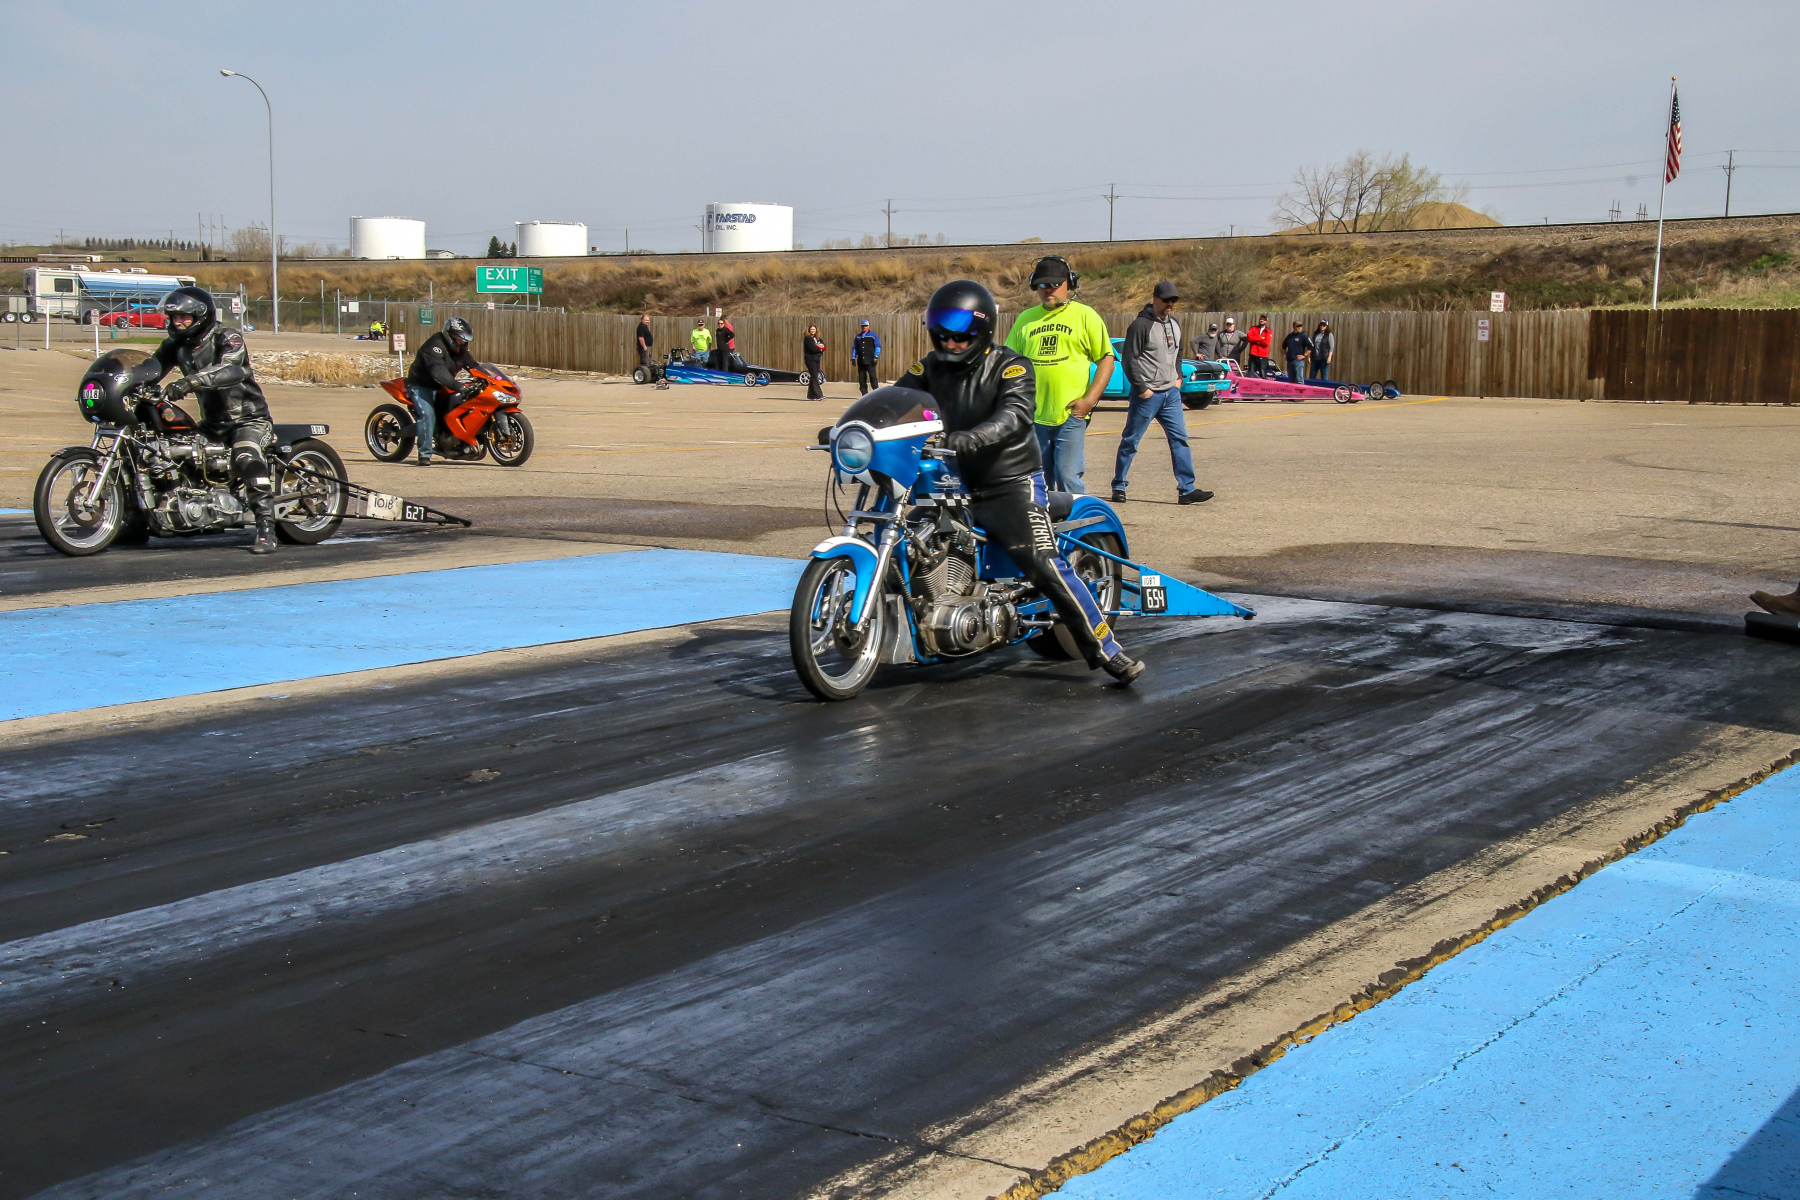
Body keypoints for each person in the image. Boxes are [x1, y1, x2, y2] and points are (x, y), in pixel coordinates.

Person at [894, 279, 1143, 684]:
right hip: (951, 482)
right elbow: (897, 400)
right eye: (941, 331)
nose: (950, 341)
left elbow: (1015, 413)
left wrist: (974, 437)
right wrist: (854, 427)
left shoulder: (1011, 365)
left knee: (1043, 562)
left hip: (1009, 482)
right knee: (908, 545)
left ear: (981, 328)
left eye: (959, 334)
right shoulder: (928, 367)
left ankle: (1105, 648)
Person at [149, 286, 280, 553]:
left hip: (248, 419)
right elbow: (150, 368)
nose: (177, 322)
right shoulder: (177, 345)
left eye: (183, 317)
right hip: (212, 423)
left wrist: (190, 382)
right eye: (173, 317)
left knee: (245, 458)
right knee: (174, 455)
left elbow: (231, 368)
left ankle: (266, 528)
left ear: (201, 315)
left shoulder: (227, 337)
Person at [1005, 255, 1114, 493]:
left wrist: (1088, 401)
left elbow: (1107, 361)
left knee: (1068, 478)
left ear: (1070, 283)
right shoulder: (1025, 319)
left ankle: (1079, 519)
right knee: (1036, 484)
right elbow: (1008, 365)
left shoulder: (1085, 316)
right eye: (1042, 285)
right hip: (1033, 417)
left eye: (1055, 284)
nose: (1048, 290)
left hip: (1071, 415)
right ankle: (1043, 519)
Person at [1113, 281, 1211, 505]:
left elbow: (1178, 353)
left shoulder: (1174, 324)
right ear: (1155, 299)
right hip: (1147, 395)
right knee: (1131, 441)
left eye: (1173, 300)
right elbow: (1128, 360)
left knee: (1180, 439)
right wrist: (1142, 389)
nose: (1170, 304)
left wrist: (1178, 377)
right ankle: (1119, 484)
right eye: (1166, 300)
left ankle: (1186, 489)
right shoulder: (1140, 325)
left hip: (1171, 394)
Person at [405, 316, 481, 467]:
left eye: (464, 340)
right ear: (449, 336)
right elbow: (438, 371)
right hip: (422, 385)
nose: (462, 343)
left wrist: (488, 378)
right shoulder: (434, 346)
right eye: (459, 339)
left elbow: (473, 366)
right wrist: (458, 386)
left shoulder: (460, 350)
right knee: (427, 415)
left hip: (443, 385)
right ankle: (425, 454)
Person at [852, 319, 881, 394]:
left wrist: (876, 356)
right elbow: (855, 348)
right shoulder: (858, 337)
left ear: (868, 326)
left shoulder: (873, 335)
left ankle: (876, 393)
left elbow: (878, 346)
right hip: (861, 361)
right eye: (863, 326)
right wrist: (853, 357)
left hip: (870, 360)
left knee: (873, 377)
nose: (864, 327)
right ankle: (864, 394)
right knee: (862, 379)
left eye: (866, 326)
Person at [1282, 321, 1313, 389]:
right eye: (1297, 326)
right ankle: (1292, 393)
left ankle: (1300, 393)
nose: (1299, 328)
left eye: (1300, 326)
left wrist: (1304, 355)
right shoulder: (1290, 336)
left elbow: (1310, 347)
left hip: (1298, 360)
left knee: (1299, 379)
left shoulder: (1303, 336)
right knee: (1291, 380)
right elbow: (1283, 346)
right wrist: (1285, 355)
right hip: (1290, 360)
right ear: (1294, 327)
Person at [803, 324, 826, 400]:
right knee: (814, 376)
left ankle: (811, 396)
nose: (813, 331)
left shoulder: (817, 338)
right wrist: (820, 349)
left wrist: (821, 348)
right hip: (810, 359)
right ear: (809, 330)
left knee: (814, 376)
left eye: (814, 329)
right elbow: (812, 349)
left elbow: (824, 345)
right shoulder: (807, 339)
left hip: (817, 359)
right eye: (811, 329)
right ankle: (818, 395)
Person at [635, 313, 654, 379]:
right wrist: (644, 347)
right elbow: (641, 338)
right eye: (646, 320)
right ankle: (644, 377)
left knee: (649, 362)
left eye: (648, 320)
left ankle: (649, 377)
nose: (647, 321)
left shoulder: (645, 326)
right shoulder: (641, 327)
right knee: (645, 363)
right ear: (642, 320)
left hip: (647, 347)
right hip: (644, 348)